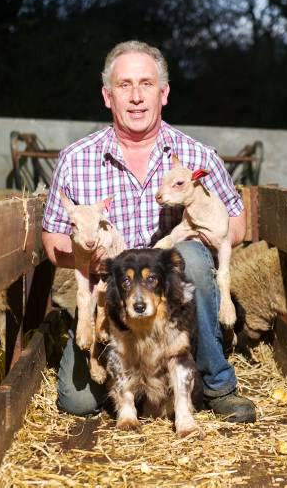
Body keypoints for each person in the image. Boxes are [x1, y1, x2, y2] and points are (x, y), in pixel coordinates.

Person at [42, 40, 256, 423]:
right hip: (114, 296)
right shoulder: (76, 159)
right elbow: (53, 239)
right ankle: (131, 383)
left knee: (191, 258)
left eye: (146, 84)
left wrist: (195, 232)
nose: (137, 97)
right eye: (124, 85)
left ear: (164, 93)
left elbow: (236, 224)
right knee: (78, 402)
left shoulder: (197, 157)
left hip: (170, 303)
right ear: (108, 96)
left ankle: (217, 383)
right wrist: (86, 253)